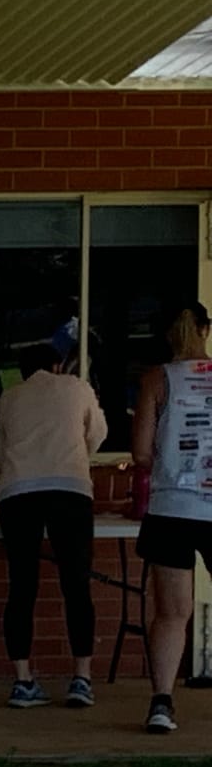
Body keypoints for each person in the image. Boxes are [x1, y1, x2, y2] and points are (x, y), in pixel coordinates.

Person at [0, 342, 108, 708]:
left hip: (18, 491)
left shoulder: (9, 398)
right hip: (69, 487)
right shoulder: (78, 387)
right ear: (58, 366)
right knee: (76, 584)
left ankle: (22, 680)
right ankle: (82, 678)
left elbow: (2, 452)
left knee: (21, 586)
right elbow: (97, 434)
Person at [131, 300, 212, 733]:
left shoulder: (156, 379)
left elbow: (141, 453)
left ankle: (161, 703)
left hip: (171, 508)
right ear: (206, 329)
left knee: (171, 612)